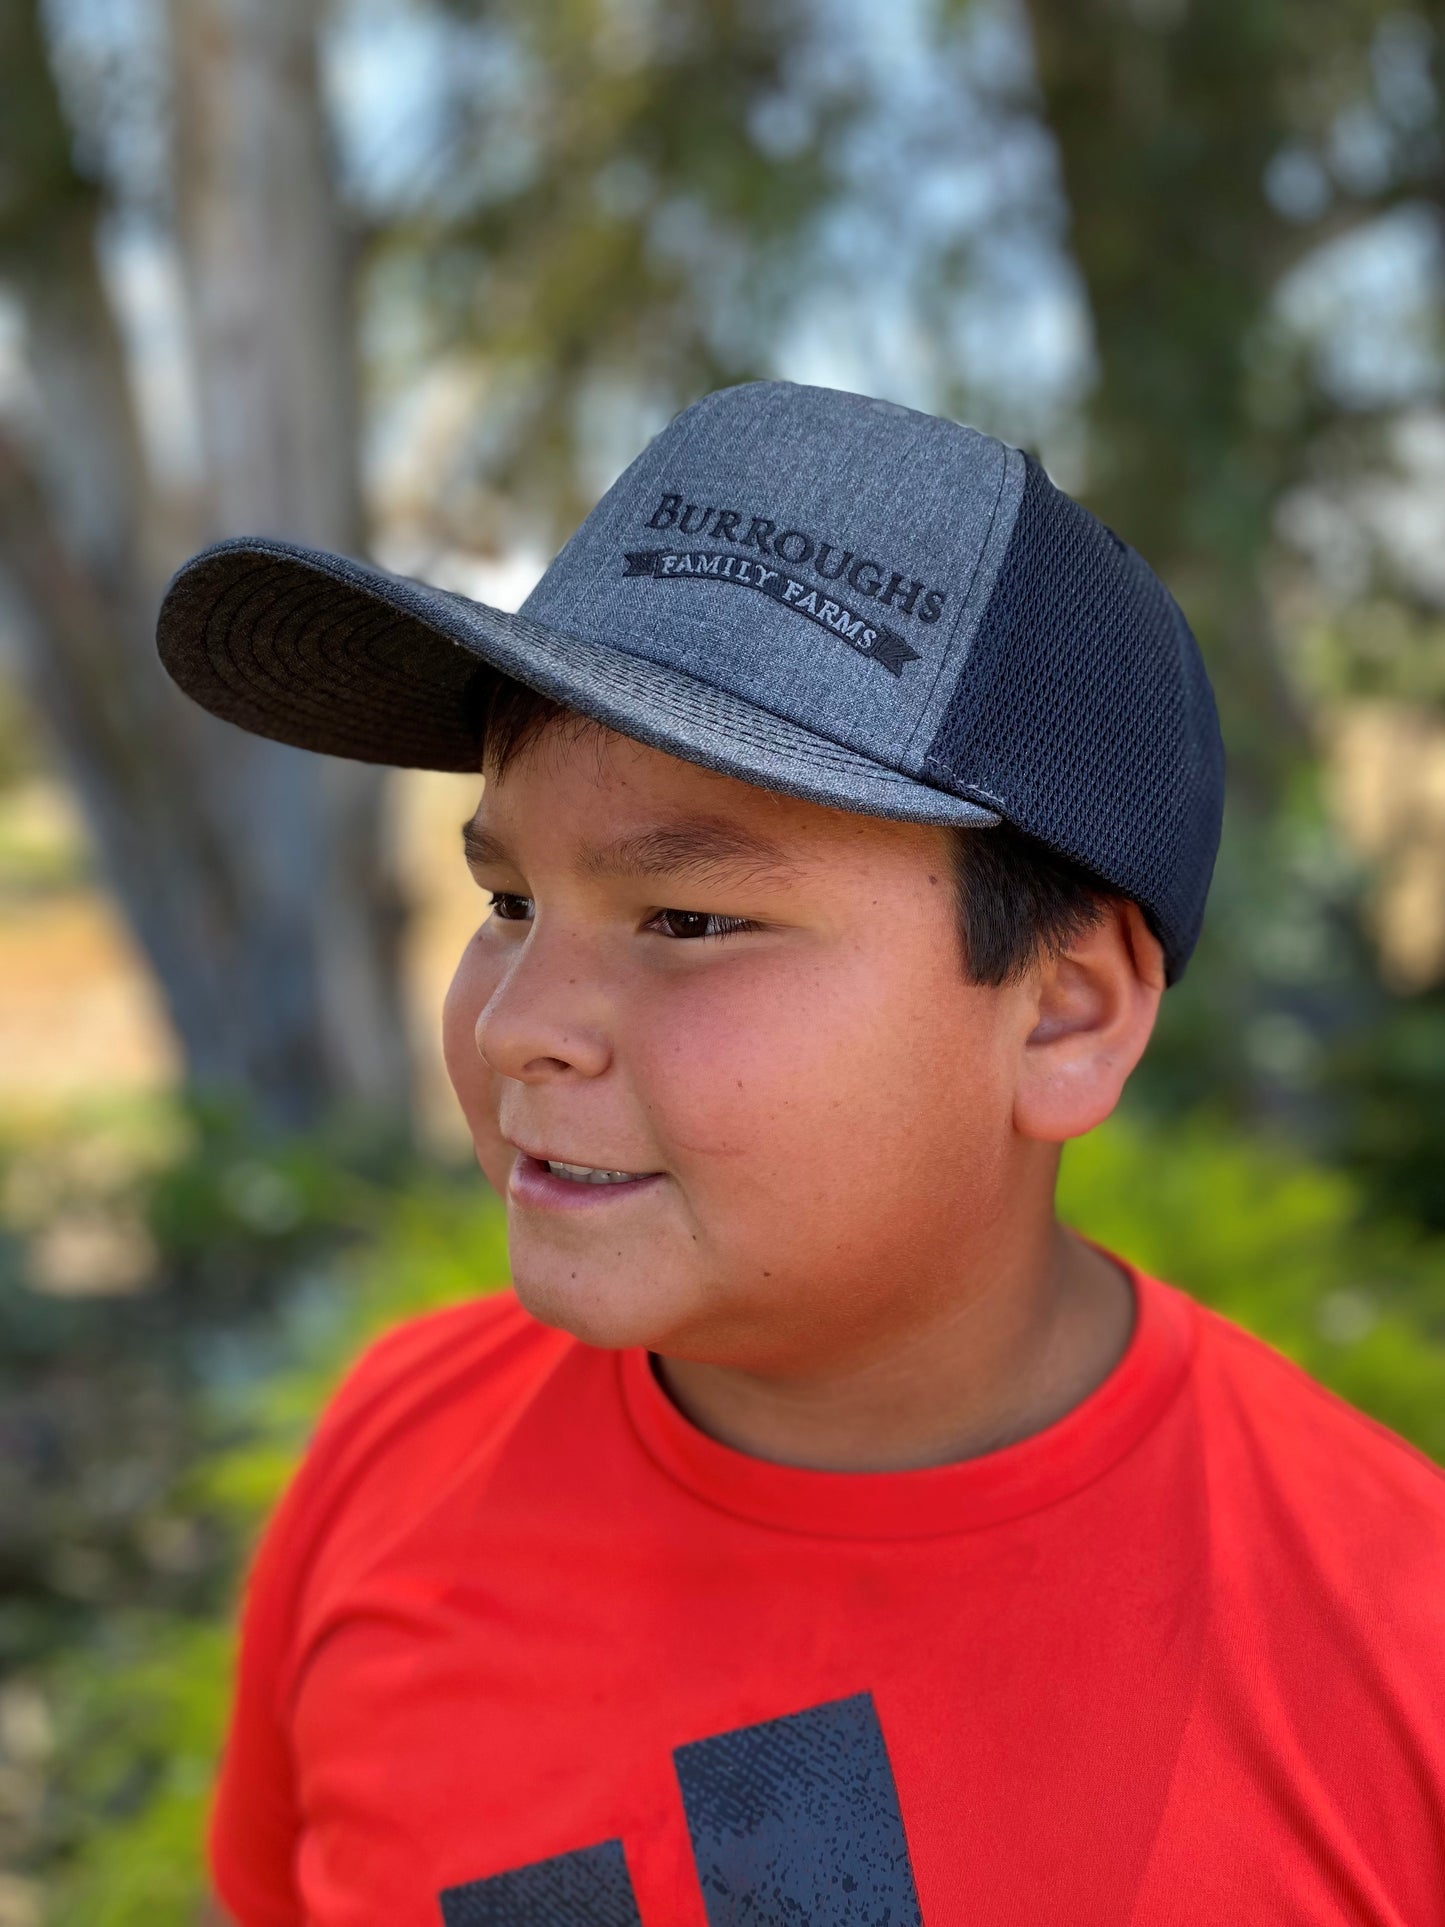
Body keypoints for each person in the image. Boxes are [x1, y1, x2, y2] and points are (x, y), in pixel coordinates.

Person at [159, 382, 1445, 1927]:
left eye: (689, 921)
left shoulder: (1385, 1656)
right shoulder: (397, 1457)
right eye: (507, 904)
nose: (518, 1027)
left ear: (1062, 1015)